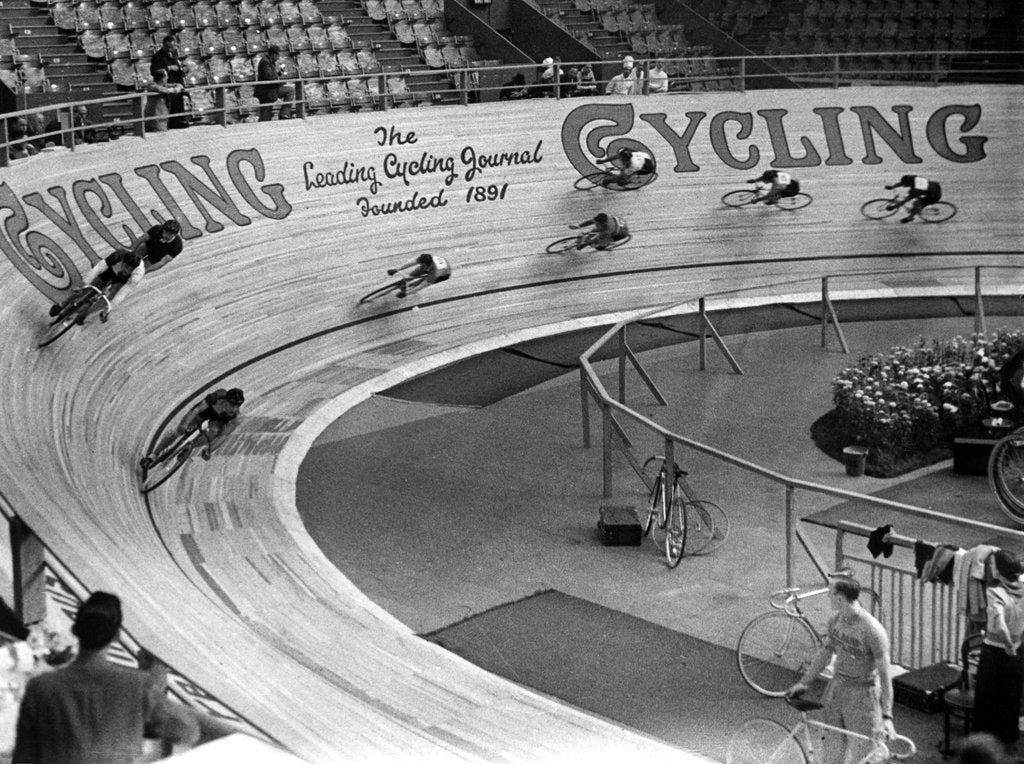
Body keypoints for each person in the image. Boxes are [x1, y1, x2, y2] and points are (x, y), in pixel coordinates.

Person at [12, 591, 199, 764]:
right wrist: (154, 686)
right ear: (116, 636)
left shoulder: (41, 686)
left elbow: (23, 757)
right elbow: (187, 733)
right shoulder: (138, 684)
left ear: (76, 631)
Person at [785, 575, 896, 764]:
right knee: (831, 754)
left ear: (839, 598)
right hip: (836, 690)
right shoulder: (835, 620)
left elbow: (885, 677)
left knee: (865, 756)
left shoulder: (872, 631)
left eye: (830, 593)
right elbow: (825, 653)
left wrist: (887, 716)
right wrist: (804, 682)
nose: (827, 596)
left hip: (862, 698)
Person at [972, 550, 1024, 756]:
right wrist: (1016, 643)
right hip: (1017, 655)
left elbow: (998, 622)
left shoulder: (995, 592)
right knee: (1009, 701)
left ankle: (983, 750)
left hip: (995, 654)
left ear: (1000, 571)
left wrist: (1007, 642)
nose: (990, 568)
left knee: (986, 701)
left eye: (992, 565)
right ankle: (1007, 748)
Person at [140, 387, 245, 471]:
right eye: (232, 405)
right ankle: (152, 456)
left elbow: (223, 436)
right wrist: (184, 424)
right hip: (205, 412)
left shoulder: (236, 417)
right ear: (225, 400)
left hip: (219, 421)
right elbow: (197, 410)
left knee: (215, 431)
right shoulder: (217, 396)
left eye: (237, 406)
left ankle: (189, 447)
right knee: (178, 431)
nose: (234, 409)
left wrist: (210, 450)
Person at [47, 249, 146, 322]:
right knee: (86, 288)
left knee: (110, 297)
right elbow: (98, 268)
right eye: (126, 267)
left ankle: (84, 314)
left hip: (122, 281)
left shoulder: (138, 274)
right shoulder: (118, 255)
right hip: (110, 271)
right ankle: (63, 304)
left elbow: (123, 293)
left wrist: (108, 309)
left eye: (131, 269)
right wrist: (83, 284)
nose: (127, 270)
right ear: (123, 261)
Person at [149, 35, 188, 128]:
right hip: (166, 82)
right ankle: (171, 123)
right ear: (163, 45)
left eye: (172, 47)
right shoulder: (157, 56)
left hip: (176, 81)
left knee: (179, 101)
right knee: (170, 103)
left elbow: (178, 66)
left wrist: (182, 69)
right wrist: (168, 68)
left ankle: (179, 120)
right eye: (168, 47)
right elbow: (154, 71)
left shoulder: (174, 54)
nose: (170, 49)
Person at [255, 45, 294, 121]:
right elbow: (269, 77)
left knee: (290, 90)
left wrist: (279, 73)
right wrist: (280, 82)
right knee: (265, 115)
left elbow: (271, 75)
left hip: (270, 89)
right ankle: (284, 114)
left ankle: (284, 114)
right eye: (278, 55)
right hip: (266, 91)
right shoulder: (265, 62)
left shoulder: (269, 61)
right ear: (273, 54)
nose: (278, 58)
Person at [386, 253, 451, 298]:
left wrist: (406, 294)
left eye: (422, 263)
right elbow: (410, 263)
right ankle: (406, 283)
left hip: (443, 275)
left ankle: (412, 287)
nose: (419, 263)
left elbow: (422, 286)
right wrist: (396, 270)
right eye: (420, 262)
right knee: (413, 274)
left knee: (420, 282)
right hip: (434, 266)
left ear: (426, 264)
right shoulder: (424, 259)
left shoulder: (435, 272)